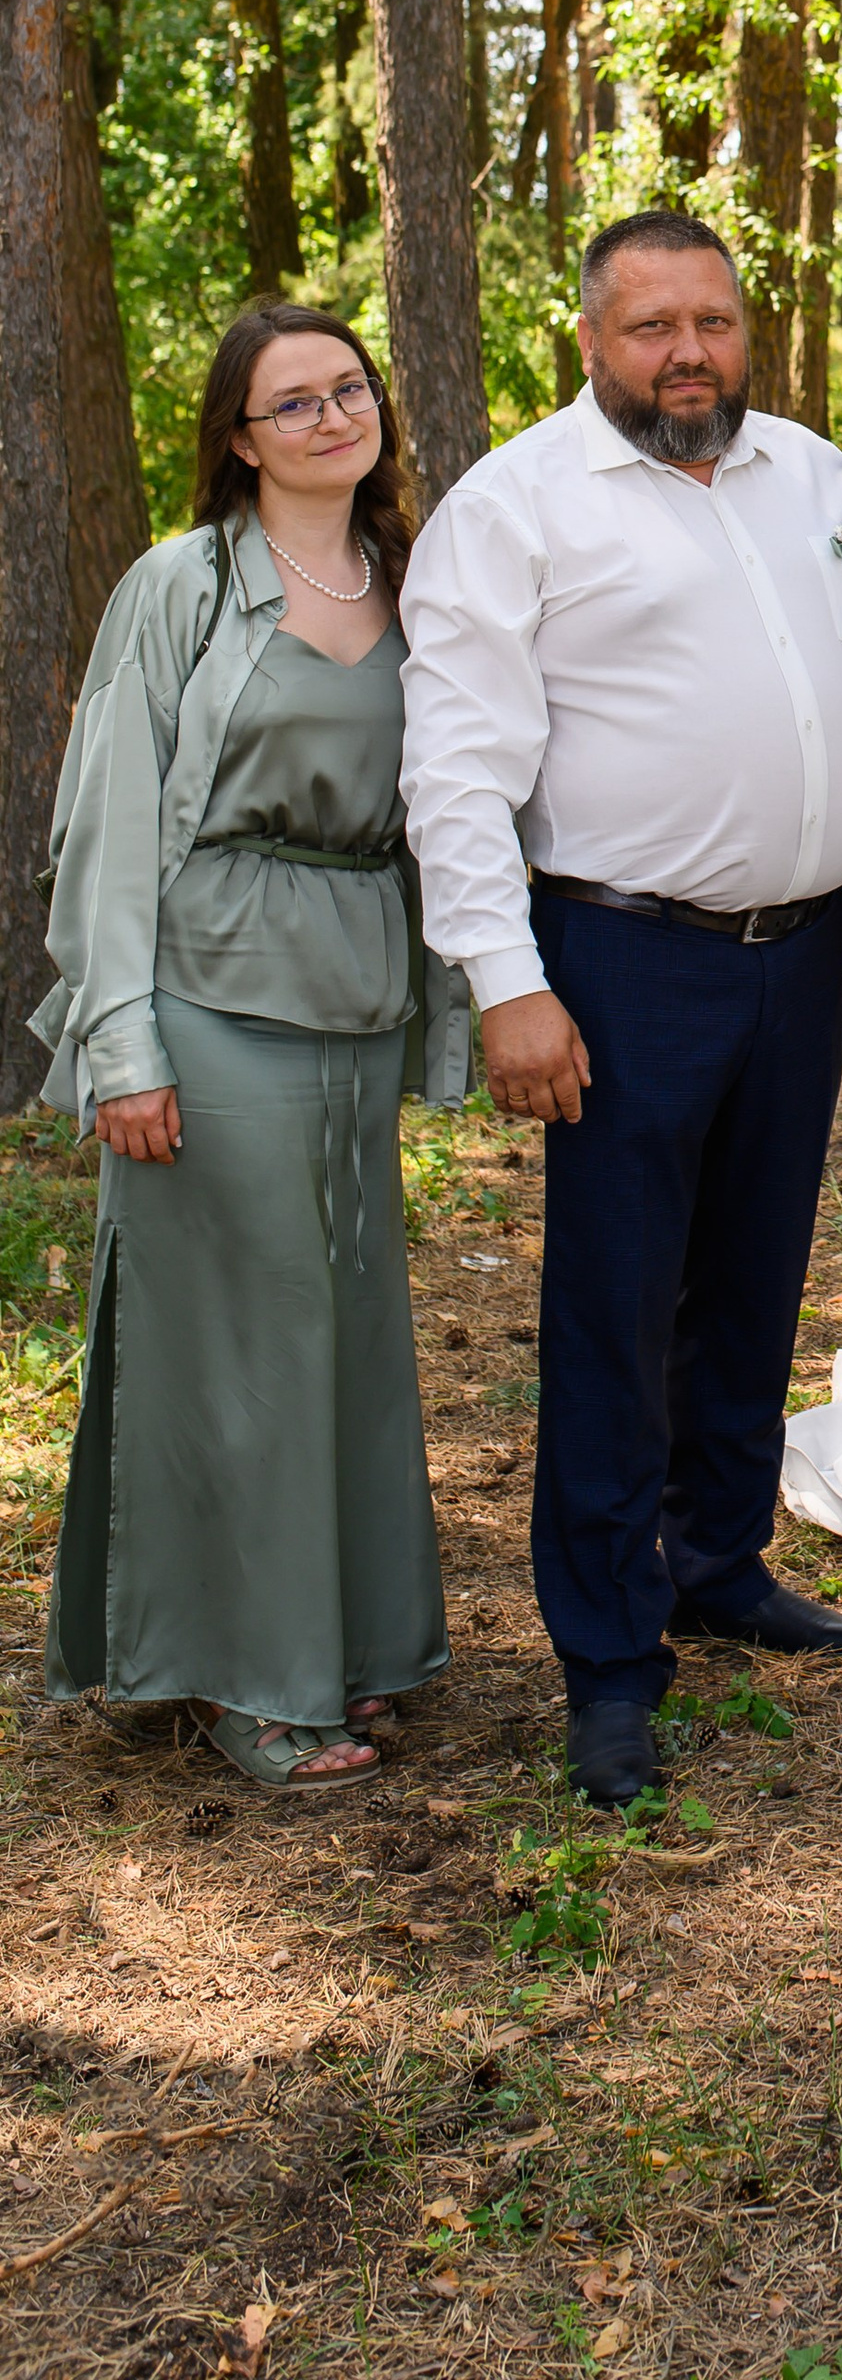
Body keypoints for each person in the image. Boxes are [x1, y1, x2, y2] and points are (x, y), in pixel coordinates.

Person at [400, 213, 842, 1808]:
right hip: (618, 961)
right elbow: (458, 763)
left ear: (749, 329)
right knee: (616, 1311)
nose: (689, 354)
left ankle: (720, 1561)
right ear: (591, 341)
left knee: (753, 1280)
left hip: (800, 948)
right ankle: (609, 1656)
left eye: (715, 323)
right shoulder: (517, 505)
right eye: (652, 328)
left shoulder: (811, 475)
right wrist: (508, 983)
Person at [35, 305, 467, 1792]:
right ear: (239, 437)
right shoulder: (181, 587)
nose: (334, 415)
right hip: (205, 994)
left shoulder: (418, 583)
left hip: (356, 990)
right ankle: (244, 1685)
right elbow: (105, 821)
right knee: (239, 1344)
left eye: (351, 389)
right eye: (295, 401)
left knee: (343, 1336)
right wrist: (121, 1043)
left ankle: (342, 1648)